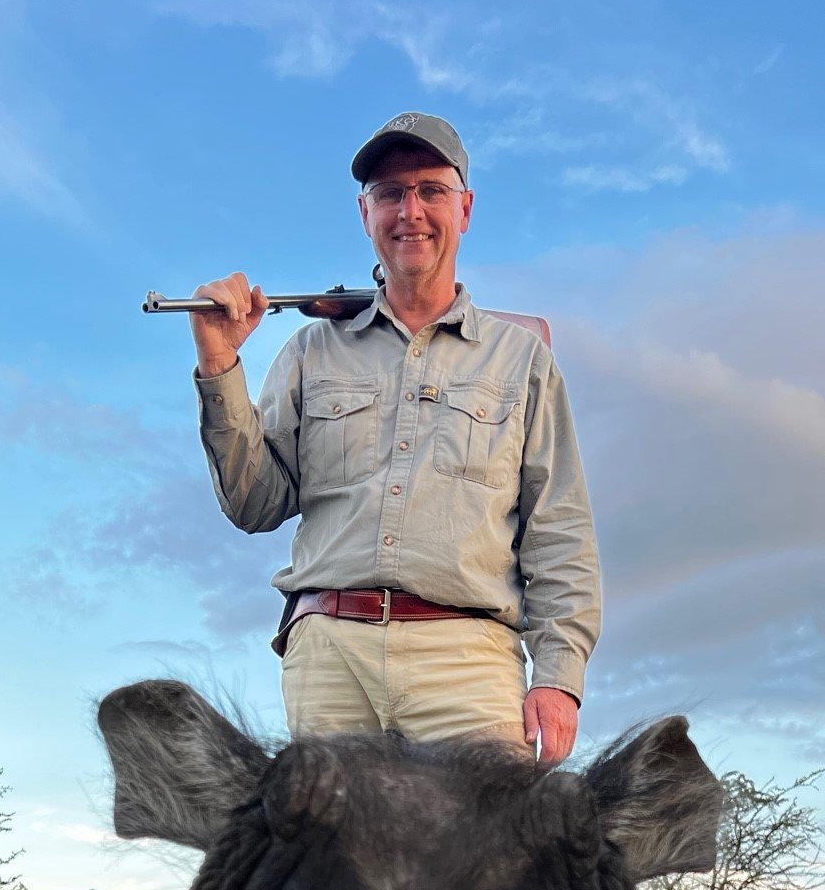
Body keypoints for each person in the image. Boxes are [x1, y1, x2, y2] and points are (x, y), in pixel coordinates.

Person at [188, 112, 600, 763]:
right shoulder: (308, 352)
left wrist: (558, 678)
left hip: (469, 663)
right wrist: (219, 364)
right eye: (390, 193)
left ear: (465, 208)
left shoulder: (522, 359)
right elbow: (253, 503)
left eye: (430, 190)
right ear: (365, 213)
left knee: (487, 864)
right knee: (330, 866)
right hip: (330, 659)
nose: (410, 210)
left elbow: (560, 528)